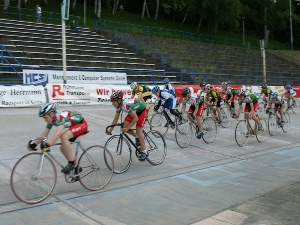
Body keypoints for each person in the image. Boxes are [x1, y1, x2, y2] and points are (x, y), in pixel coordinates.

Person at [27, 102, 88, 173]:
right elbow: (44, 133)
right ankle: (77, 168)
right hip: (74, 126)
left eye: (45, 117)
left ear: (52, 114)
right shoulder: (52, 119)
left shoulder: (60, 118)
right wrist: (34, 144)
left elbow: (58, 134)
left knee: (64, 137)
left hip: (82, 124)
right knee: (62, 148)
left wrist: (48, 145)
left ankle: (71, 163)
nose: (44, 119)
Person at [106, 91, 148, 161]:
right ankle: (137, 137)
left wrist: (128, 128)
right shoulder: (119, 106)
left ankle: (144, 152)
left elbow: (136, 119)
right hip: (134, 110)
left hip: (142, 110)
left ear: (119, 100)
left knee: (138, 130)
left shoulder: (125, 105)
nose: (112, 103)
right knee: (123, 127)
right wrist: (110, 130)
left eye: (113, 101)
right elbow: (115, 119)